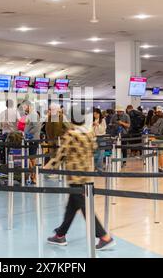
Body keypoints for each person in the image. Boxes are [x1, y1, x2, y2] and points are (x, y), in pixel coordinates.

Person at [45, 105, 115, 250]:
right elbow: (94, 148)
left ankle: (104, 237)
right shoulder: (89, 133)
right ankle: (60, 235)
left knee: (85, 209)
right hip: (88, 176)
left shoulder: (71, 134)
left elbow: (61, 154)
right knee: (71, 207)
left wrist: (47, 167)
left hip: (75, 177)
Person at [23, 101, 42, 184]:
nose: (23, 108)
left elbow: (36, 127)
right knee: (29, 158)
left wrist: (28, 134)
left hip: (33, 139)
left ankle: (34, 177)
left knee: (32, 159)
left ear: (29, 106)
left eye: (24, 106)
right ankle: (32, 175)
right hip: (29, 139)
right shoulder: (29, 115)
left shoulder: (34, 114)